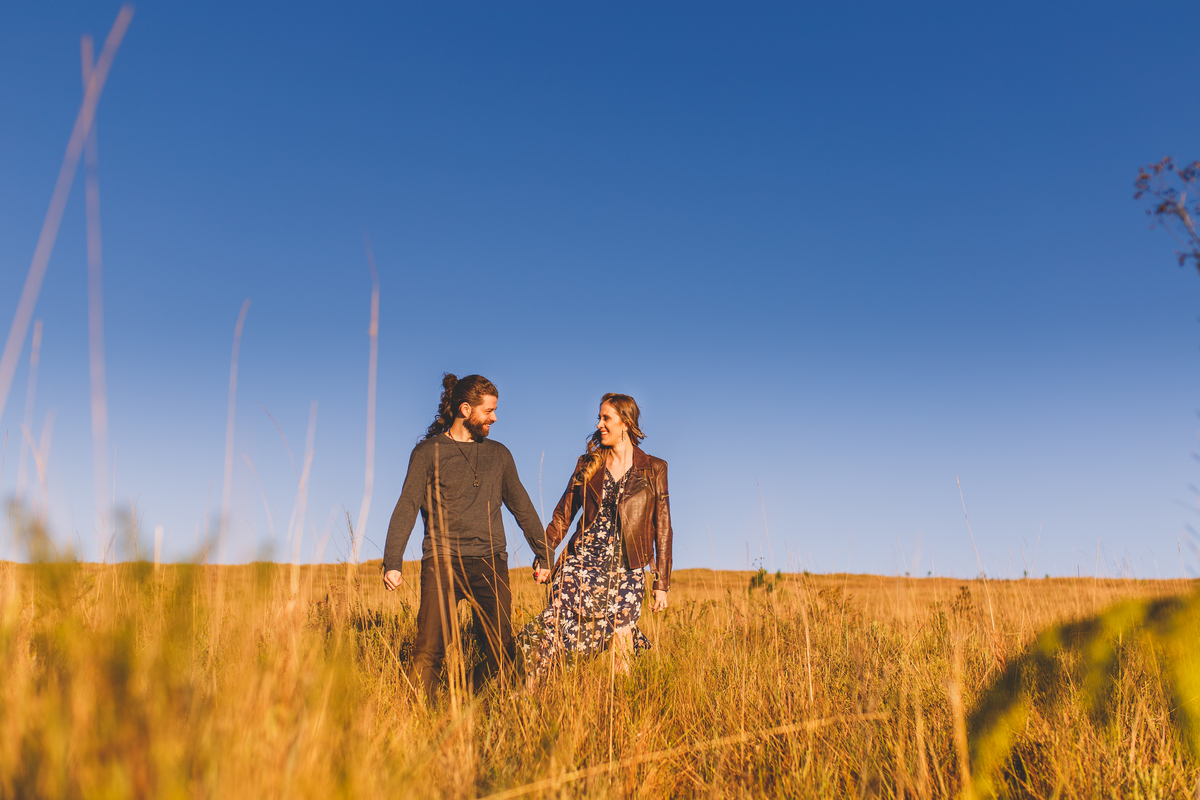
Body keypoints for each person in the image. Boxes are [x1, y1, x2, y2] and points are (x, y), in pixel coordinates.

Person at [382, 373, 551, 704]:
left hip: (490, 563)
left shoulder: (499, 455)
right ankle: (425, 722)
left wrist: (544, 554)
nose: (495, 417)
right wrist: (392, 561)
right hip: (443, 562)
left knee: (503, 652)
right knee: (429, 649)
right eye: (489, 411)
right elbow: (406, 506)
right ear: (465, 409)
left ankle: (460, 697)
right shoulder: (428, 452)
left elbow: (522, 506)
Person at [518, 393, 672, 681]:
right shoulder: (588, 463)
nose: (599, 424)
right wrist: (544, 554)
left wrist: (661, 582)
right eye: (599, 418)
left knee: (622, 633)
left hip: (627, 568)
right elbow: (563, 514)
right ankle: (527, 691)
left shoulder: (654, 468)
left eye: (606, 418)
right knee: (553, 621)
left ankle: (619, 707)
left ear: (625, 424)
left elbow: (662, 526)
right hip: (582, 561)